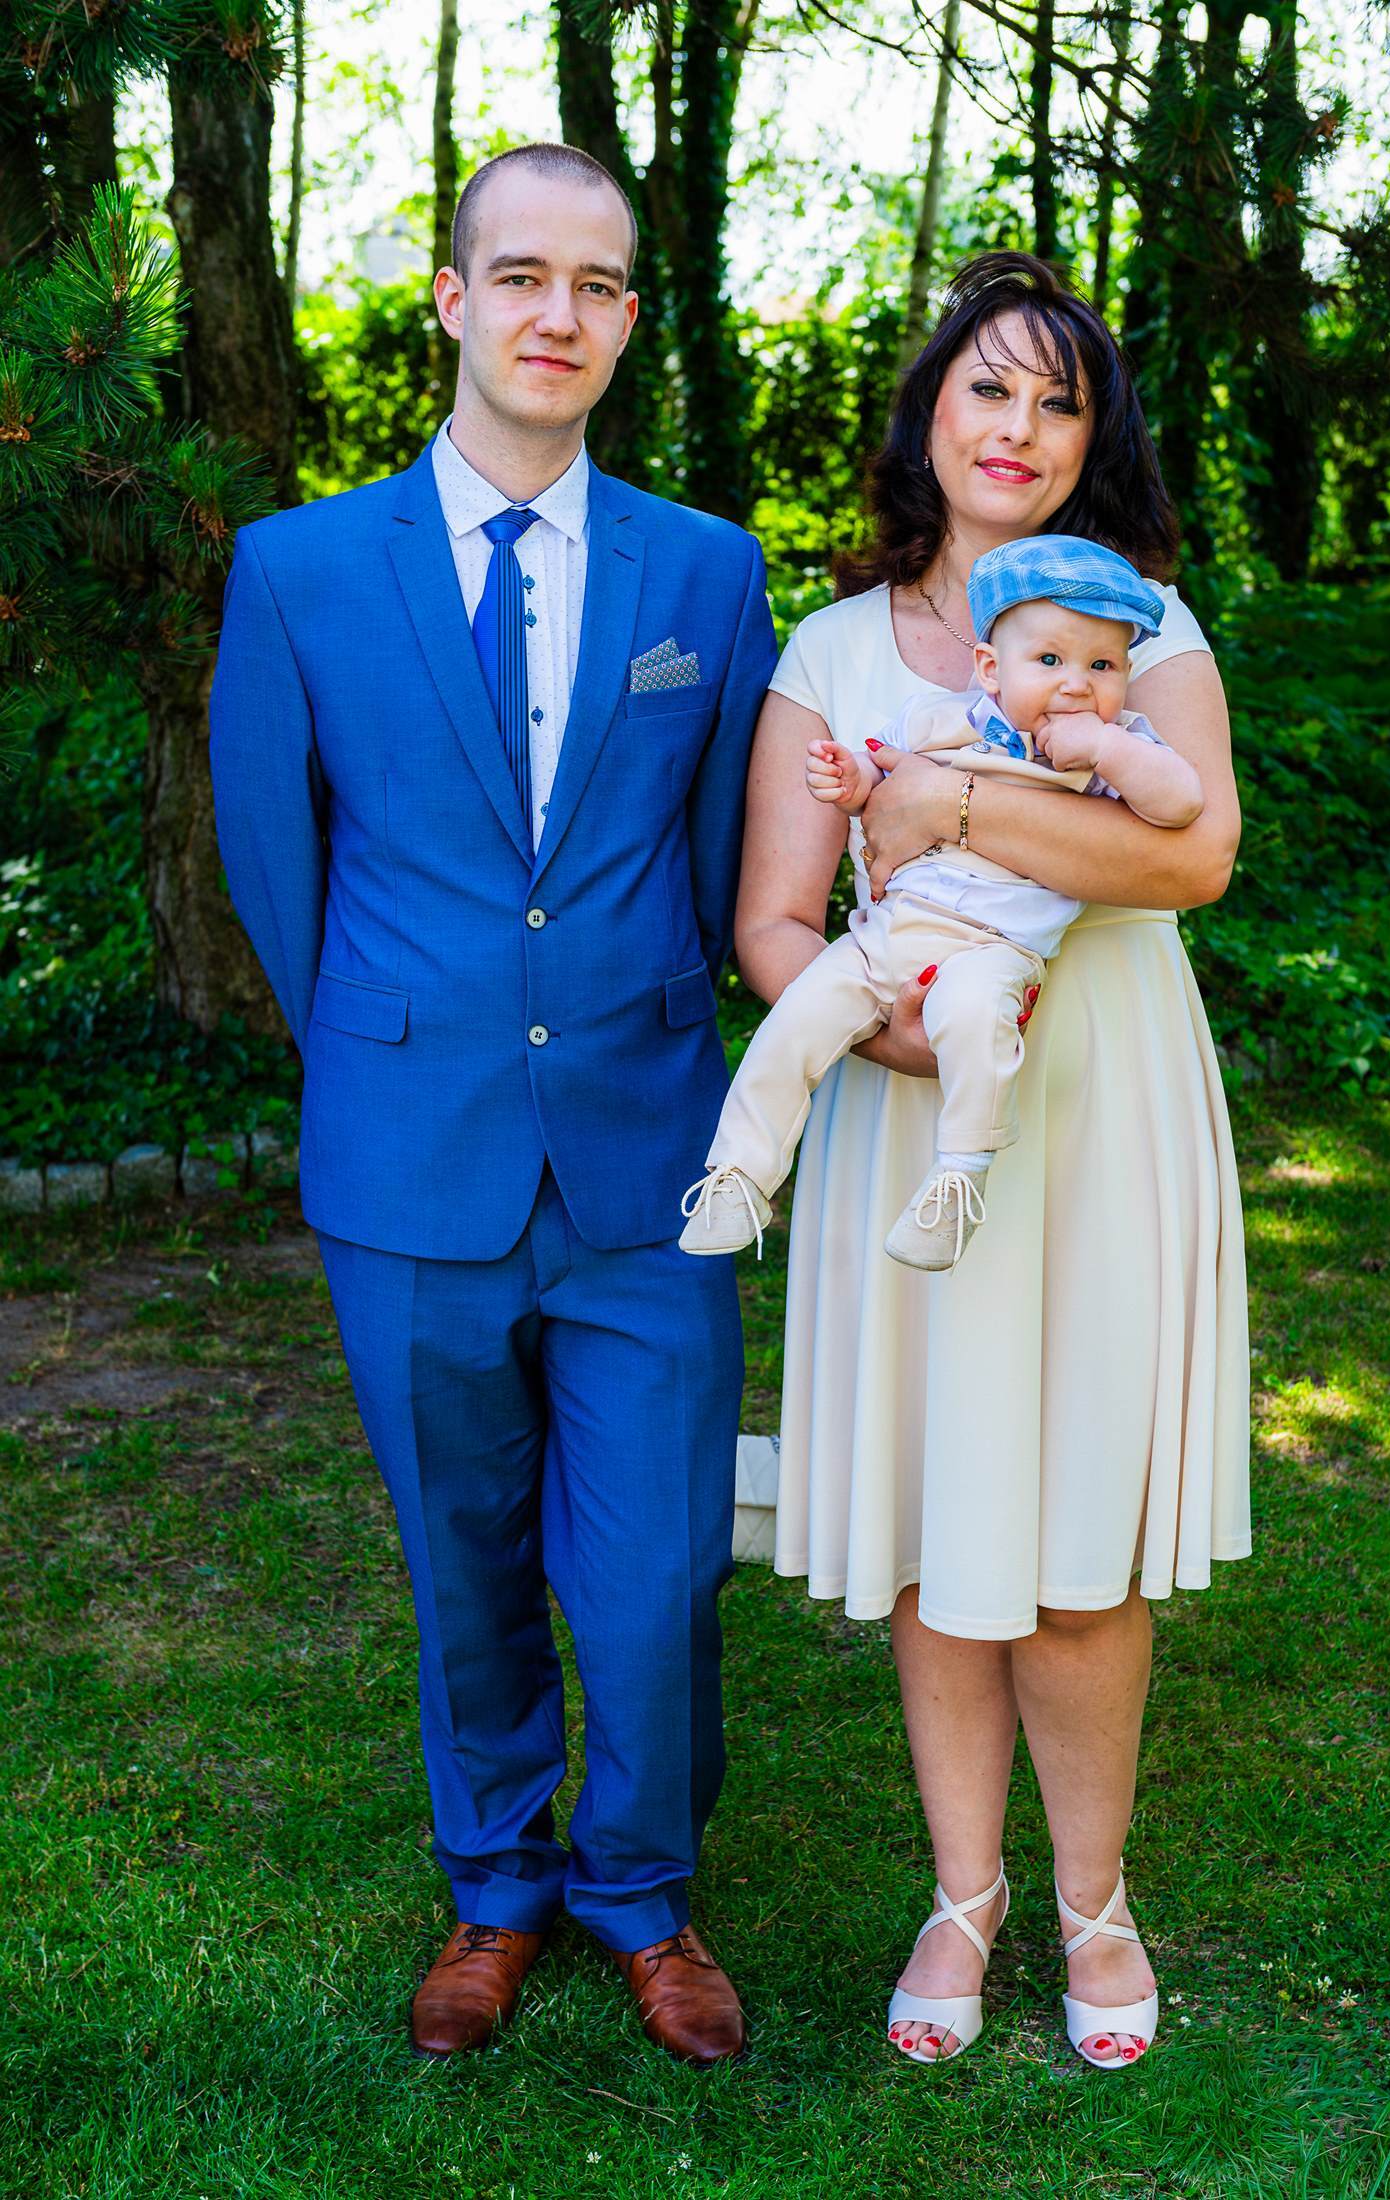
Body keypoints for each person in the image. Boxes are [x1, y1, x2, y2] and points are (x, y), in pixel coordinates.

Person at [210, 143, 775, 2066]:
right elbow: (275, 867)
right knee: (463, 1556)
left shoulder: (706, 572)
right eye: (521, 275)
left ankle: (641, 1890)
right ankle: (496, 1885)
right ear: (453, 300)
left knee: (658, 1574)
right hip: (411, 1149)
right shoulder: (299, 570)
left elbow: (718, 862)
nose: (559, 313)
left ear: (627, 319)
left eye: (597, 284)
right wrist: (390, 1047)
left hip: (647, 1150)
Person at [735, 252, 1250, 2069]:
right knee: (936, 1515)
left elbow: (1187, 859)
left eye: (1057, 400)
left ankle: (1093, 1903)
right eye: (987, 387)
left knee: (1081, 1533)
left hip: (1101, 1103)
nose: (1017, 426)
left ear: (1091, 443)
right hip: (912, 1109)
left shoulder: (1142, 626)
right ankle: (963, 1895)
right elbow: (775, 917)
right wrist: (894, 1037)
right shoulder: (831, 648)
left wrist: (946, 800)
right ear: (929, 412)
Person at [678, 536, 1202, 1271]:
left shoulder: (1118, 751)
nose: (1075, 685)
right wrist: (851, 780)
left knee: (975, 1022)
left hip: (994, 948)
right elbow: (881, 775)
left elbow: (1181, 804)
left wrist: (1106, 748)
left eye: (1102, 666)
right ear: (990, 668)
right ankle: (739, 1171)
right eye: (1049, 660)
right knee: (799, 1018)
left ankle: (959, 1177)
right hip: (888, 936)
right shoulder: (943, 720)